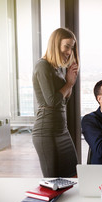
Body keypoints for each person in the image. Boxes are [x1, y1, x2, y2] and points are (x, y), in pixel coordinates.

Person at [32, 28, 79, 177]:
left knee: (73, 175)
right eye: (67, 46)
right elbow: (52, 102)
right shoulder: (42, 65)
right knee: (52, 182)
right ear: (55, 44)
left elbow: (64, 101)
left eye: (72, 48)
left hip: (61, 130)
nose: (69, 51)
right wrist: (69, 84)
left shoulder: (58, 68)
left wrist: (68, 81)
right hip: (46, 132)